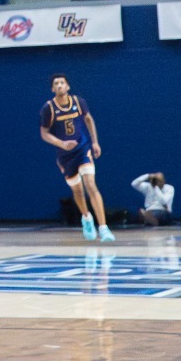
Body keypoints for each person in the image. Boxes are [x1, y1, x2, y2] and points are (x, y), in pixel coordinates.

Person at [40, 74, 112, 242]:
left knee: (91, 185)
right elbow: (44, 133)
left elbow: (88, 119)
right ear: (52, 89)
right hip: (65, 154)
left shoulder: (78, 102)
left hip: (83, 148)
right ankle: (86, 218)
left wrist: (95, 142)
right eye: (56, 84)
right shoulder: (48, 108)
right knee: (78, 191)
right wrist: (61, 144)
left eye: (62, 82)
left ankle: (103, 227)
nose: (59, 85)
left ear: (68, 86)